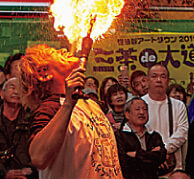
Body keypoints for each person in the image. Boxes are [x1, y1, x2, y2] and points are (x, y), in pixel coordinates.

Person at [19, 44, 122, 179]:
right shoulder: (51, 108)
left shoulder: (90, 103)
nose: (63, 51)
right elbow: (39, 158)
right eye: (55, 53)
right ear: (44, 73)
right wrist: (68, 104)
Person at [0, 77, 38, 179]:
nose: (16, 92)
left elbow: (39, 151)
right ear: (2, 94)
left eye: (20, 89)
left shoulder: (32, 118)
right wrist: (3, 172)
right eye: (12, 87)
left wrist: (29, 169)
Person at [141, 64, 188, 173]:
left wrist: (163, 151)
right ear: (147, 81)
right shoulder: (139, 104)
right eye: (154, 76)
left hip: (173, 166)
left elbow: (182, 132)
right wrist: (153, 155)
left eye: (163, 76)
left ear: (168, 81)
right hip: (146, 165)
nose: (158, 80)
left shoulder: (178, 105)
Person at [115, 97, 167, 179]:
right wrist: (149, 155)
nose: (142, 112)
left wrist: (136, 154)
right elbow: (124, 163)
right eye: (137, 109)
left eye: (145, 109)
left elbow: (160, 157)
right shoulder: (120, 136)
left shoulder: (154, 135)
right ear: (127, 114)